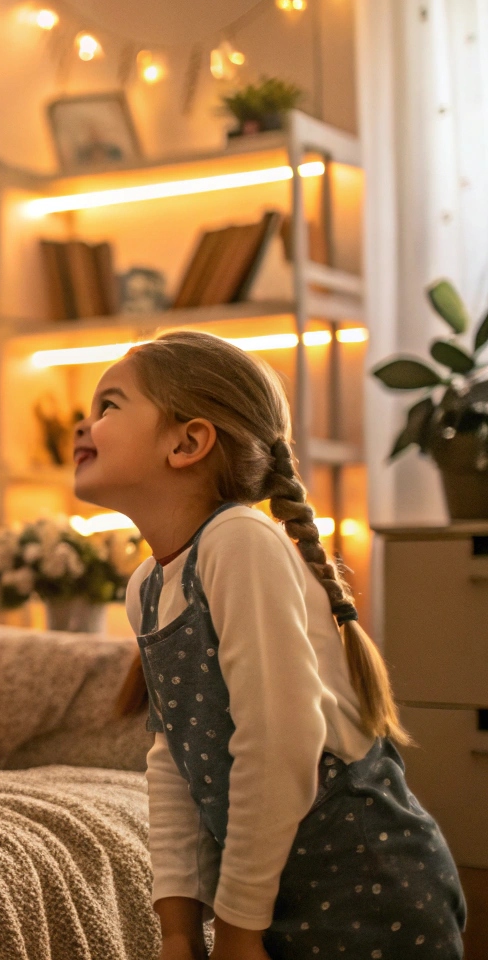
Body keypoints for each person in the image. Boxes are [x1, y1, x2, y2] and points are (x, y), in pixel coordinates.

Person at [72, 330, 466, 960]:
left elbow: (279, 743)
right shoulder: (147, 585)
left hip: (366, 884)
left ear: (188, 442)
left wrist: (236, 929)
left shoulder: (239, 541)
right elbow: (173, 761)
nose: (82, 425)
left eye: (109, 406)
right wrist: (177, 928)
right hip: (280, 893)